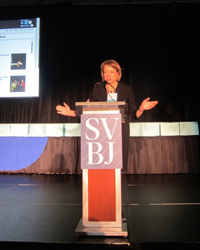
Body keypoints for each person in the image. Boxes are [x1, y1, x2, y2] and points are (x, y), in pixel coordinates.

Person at [56, 59, 158, 173]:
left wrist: (141, 108)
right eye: (105, 72)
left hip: (119, 131)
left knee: (117, 166)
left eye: (111, 72)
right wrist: (71, 112)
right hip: (101, 132)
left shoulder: (126, 89)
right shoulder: (97, 89)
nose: (107, 75)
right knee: (101, 166)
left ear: (118, 73)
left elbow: (134, 114)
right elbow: (89, 110)